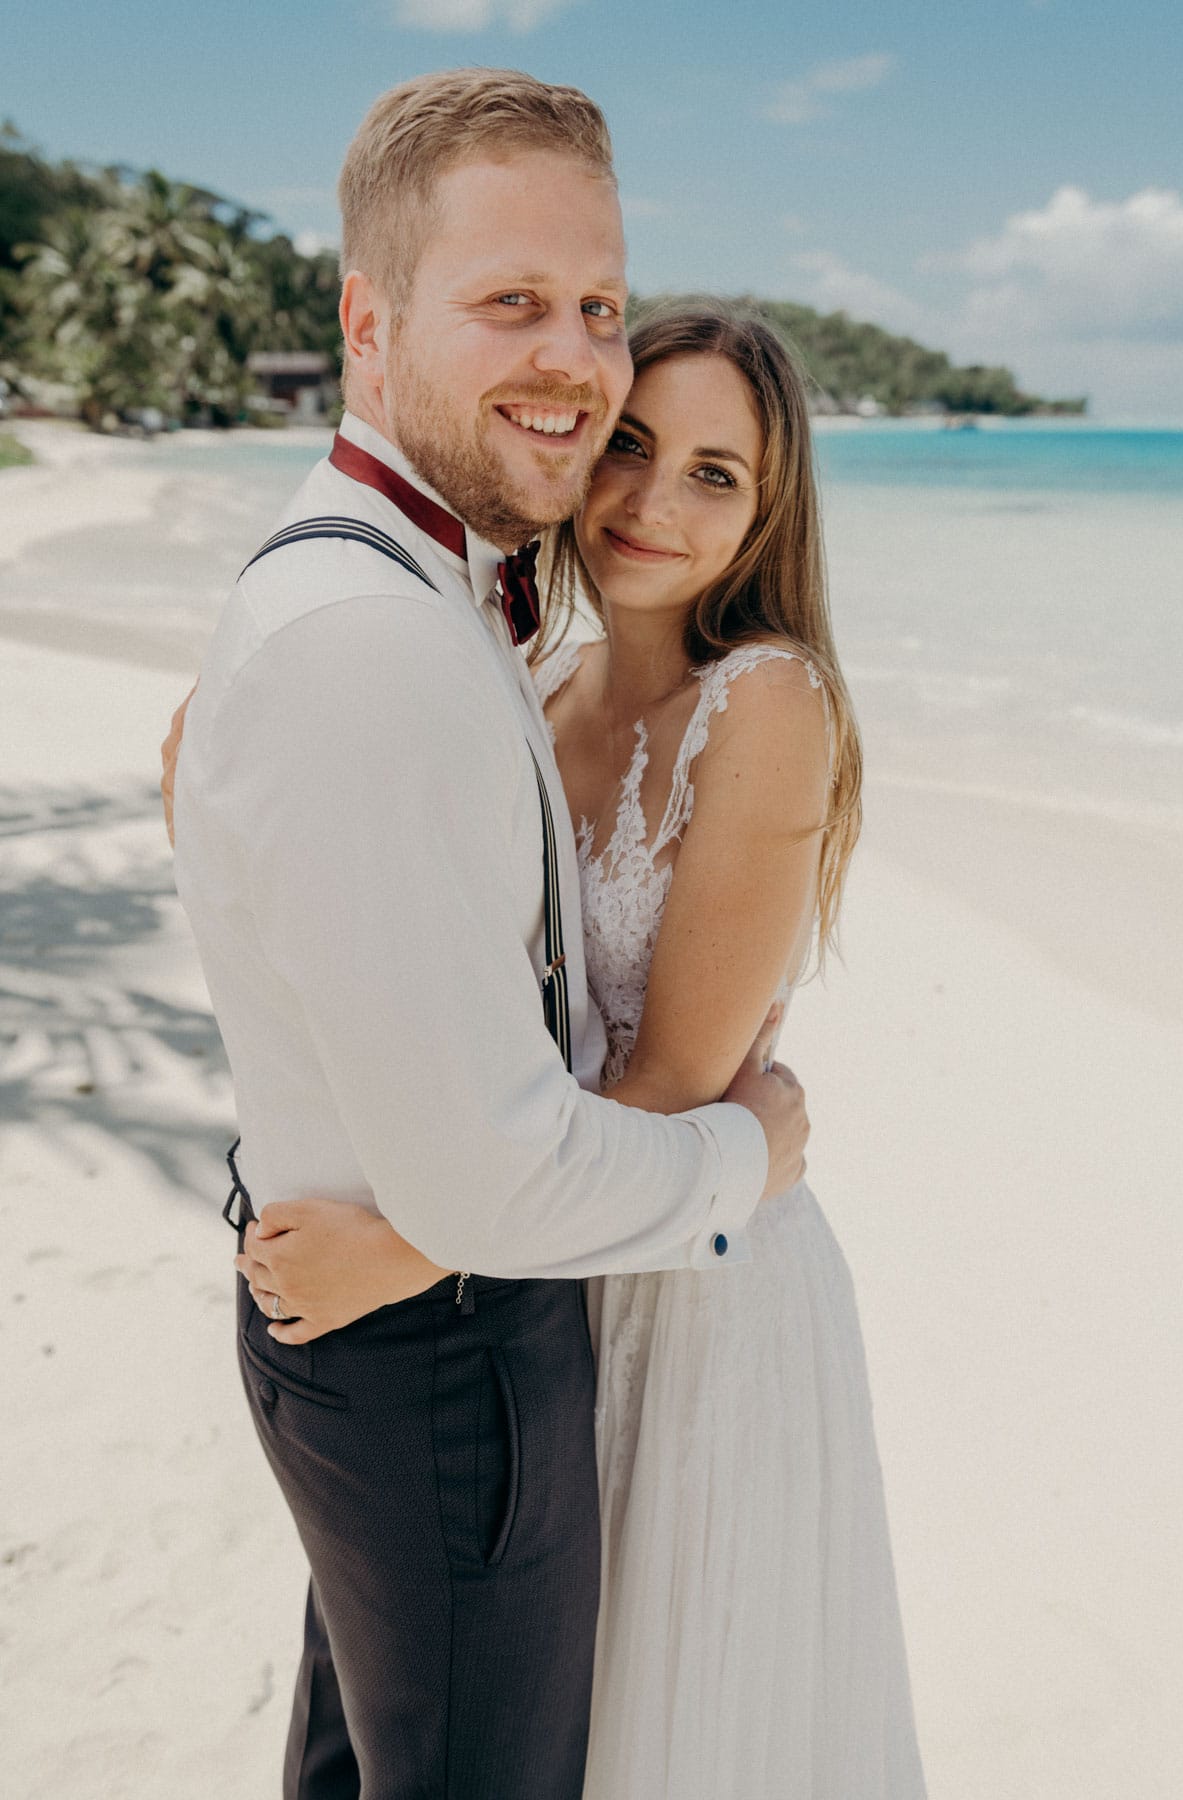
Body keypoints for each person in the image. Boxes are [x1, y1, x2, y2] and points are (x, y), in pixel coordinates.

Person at [167, 70, 810, 1800]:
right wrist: (753, 1158)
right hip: (443, 1354)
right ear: (369, 323)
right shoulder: (372, 632)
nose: (573, 356)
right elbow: (496, 1181)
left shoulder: (403, 588)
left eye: (594, 304)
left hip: (405, 1316)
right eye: (513, 300)